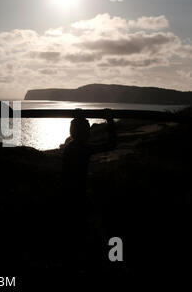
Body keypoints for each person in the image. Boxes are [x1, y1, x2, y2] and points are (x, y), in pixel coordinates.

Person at [60, 110, 117, 271]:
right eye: (87, 130)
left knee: (74, 233)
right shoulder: (83, 148)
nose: (90, 133)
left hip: (68, 194)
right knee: (86, 230)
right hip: (78, 195)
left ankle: (76, 261)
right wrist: (110, 121)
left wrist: (78, 118)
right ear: (85, 133)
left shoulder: (70, 147)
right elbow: (112, 144)